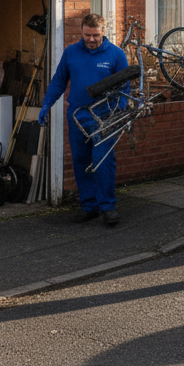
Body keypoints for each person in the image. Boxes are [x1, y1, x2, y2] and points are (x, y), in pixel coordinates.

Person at [39, 14, 130, 226]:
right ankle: (89, 206)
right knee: (80, 161)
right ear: (82, 32)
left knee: (102, 160)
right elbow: (59, 81)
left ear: (103, 32)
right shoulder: (71, 52)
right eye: (87, 35)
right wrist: (46, 104)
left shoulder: (116, 55)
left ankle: (108, 207)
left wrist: (119, 113)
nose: (91, 39)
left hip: (104, 118)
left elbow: (125, 88)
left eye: (96, 35)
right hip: (78, 116)